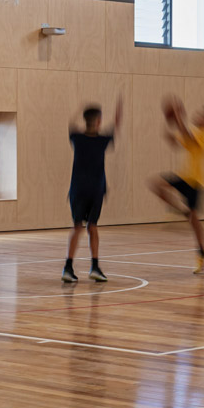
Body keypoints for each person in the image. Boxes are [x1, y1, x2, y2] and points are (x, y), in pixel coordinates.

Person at [151, 97, 204, 274]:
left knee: (195, 221)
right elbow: (177, 143)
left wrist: (178, 119)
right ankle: (180, 210)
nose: (198, 116)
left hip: (197, 183)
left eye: (203, 116)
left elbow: (189, 139)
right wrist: (170, 126)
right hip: (184, 177)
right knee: (156, 185)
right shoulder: (194, 132)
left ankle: (201, 255)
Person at [63, 98, 123, 283]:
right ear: (98, 121)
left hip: (77, 190)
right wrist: (119, 111)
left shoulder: (77, 138)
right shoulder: (103, 140)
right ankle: (94, 266)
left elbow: (70, 126)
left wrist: (78, 108)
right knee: (93, 228)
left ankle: (68, 267)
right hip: (95, 190)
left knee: (77, 227)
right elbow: (116, 127)